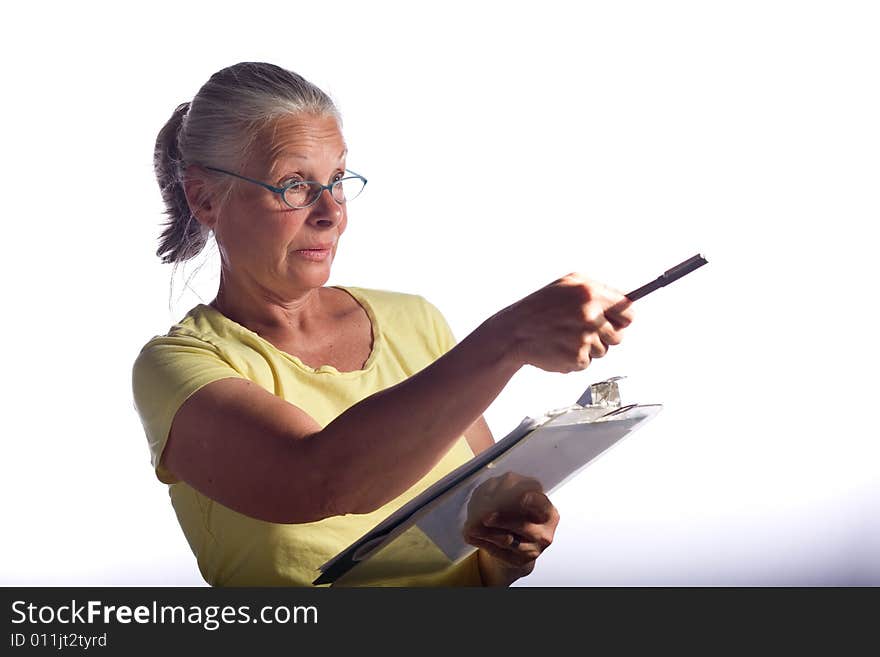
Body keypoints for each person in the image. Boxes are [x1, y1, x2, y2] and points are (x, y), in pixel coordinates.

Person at [132, 62, 635, 587]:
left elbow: (475, 535)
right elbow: (320, 481)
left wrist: (509, 546)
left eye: (337, 181)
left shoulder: (413, 321)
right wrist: (508, 338)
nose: (330, 212)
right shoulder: (177, 368)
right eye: (294, 184)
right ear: (205, 198)